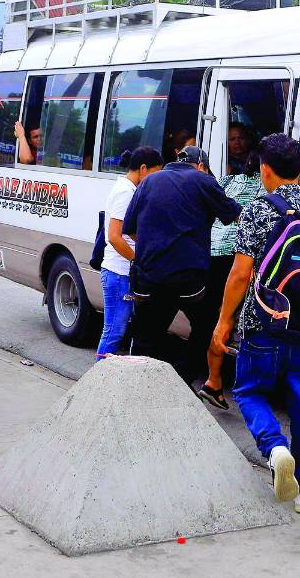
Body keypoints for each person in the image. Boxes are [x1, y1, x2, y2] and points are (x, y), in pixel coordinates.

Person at [213, 134, 300, 515]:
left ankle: (274, 448)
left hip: (263, 324)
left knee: (249, 391)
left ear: (265, 170)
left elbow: (241, 274)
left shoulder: (257, 211)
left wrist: (223, 322)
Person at [123, 145, 242, 385]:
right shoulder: (203, 180)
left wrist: (154, 248)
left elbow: (130, 229)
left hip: (149, 277)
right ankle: (181, 380)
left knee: (146, 337)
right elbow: (236, 216)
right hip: (188, 282)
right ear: (201, 166)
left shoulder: (149, 181)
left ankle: (138, 388)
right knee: (207, 325)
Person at [196, 150, 264, 409]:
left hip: (209, 252)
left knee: (217, 318)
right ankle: (233, 385)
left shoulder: (226, 181)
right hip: (235, 259)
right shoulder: (266, 191)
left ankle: (213, 380)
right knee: (232, 320)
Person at [96, 145, 164, 360]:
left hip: (122, 272)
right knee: (114, 332)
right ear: (143, 169)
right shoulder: (125, 192)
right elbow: (115, 236)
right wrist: (138, 260)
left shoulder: (130, 189)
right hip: (119, 272)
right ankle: (97, 377)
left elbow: (129, 231)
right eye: (155, 174)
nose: (157, 181)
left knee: (119, 330)